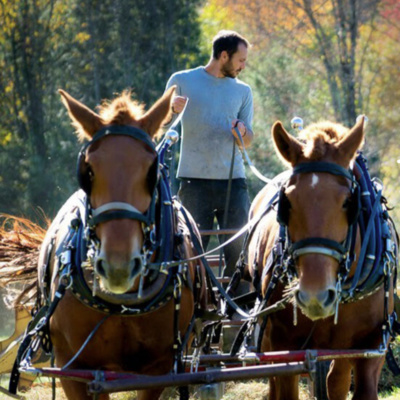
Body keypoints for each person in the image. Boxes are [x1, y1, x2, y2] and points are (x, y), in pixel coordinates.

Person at [165, 30, 254, 277]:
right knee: (190, 254)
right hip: (194, 184)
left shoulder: (243, 91)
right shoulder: (181, 80)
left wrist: (243, 131)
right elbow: (160, 124)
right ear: (224, 56)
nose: (243, 66)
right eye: (240, 60)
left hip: (233, 184)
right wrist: (171, 108)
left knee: (239, 253)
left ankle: (242, 310)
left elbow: (248, 141)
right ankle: (194, 311)